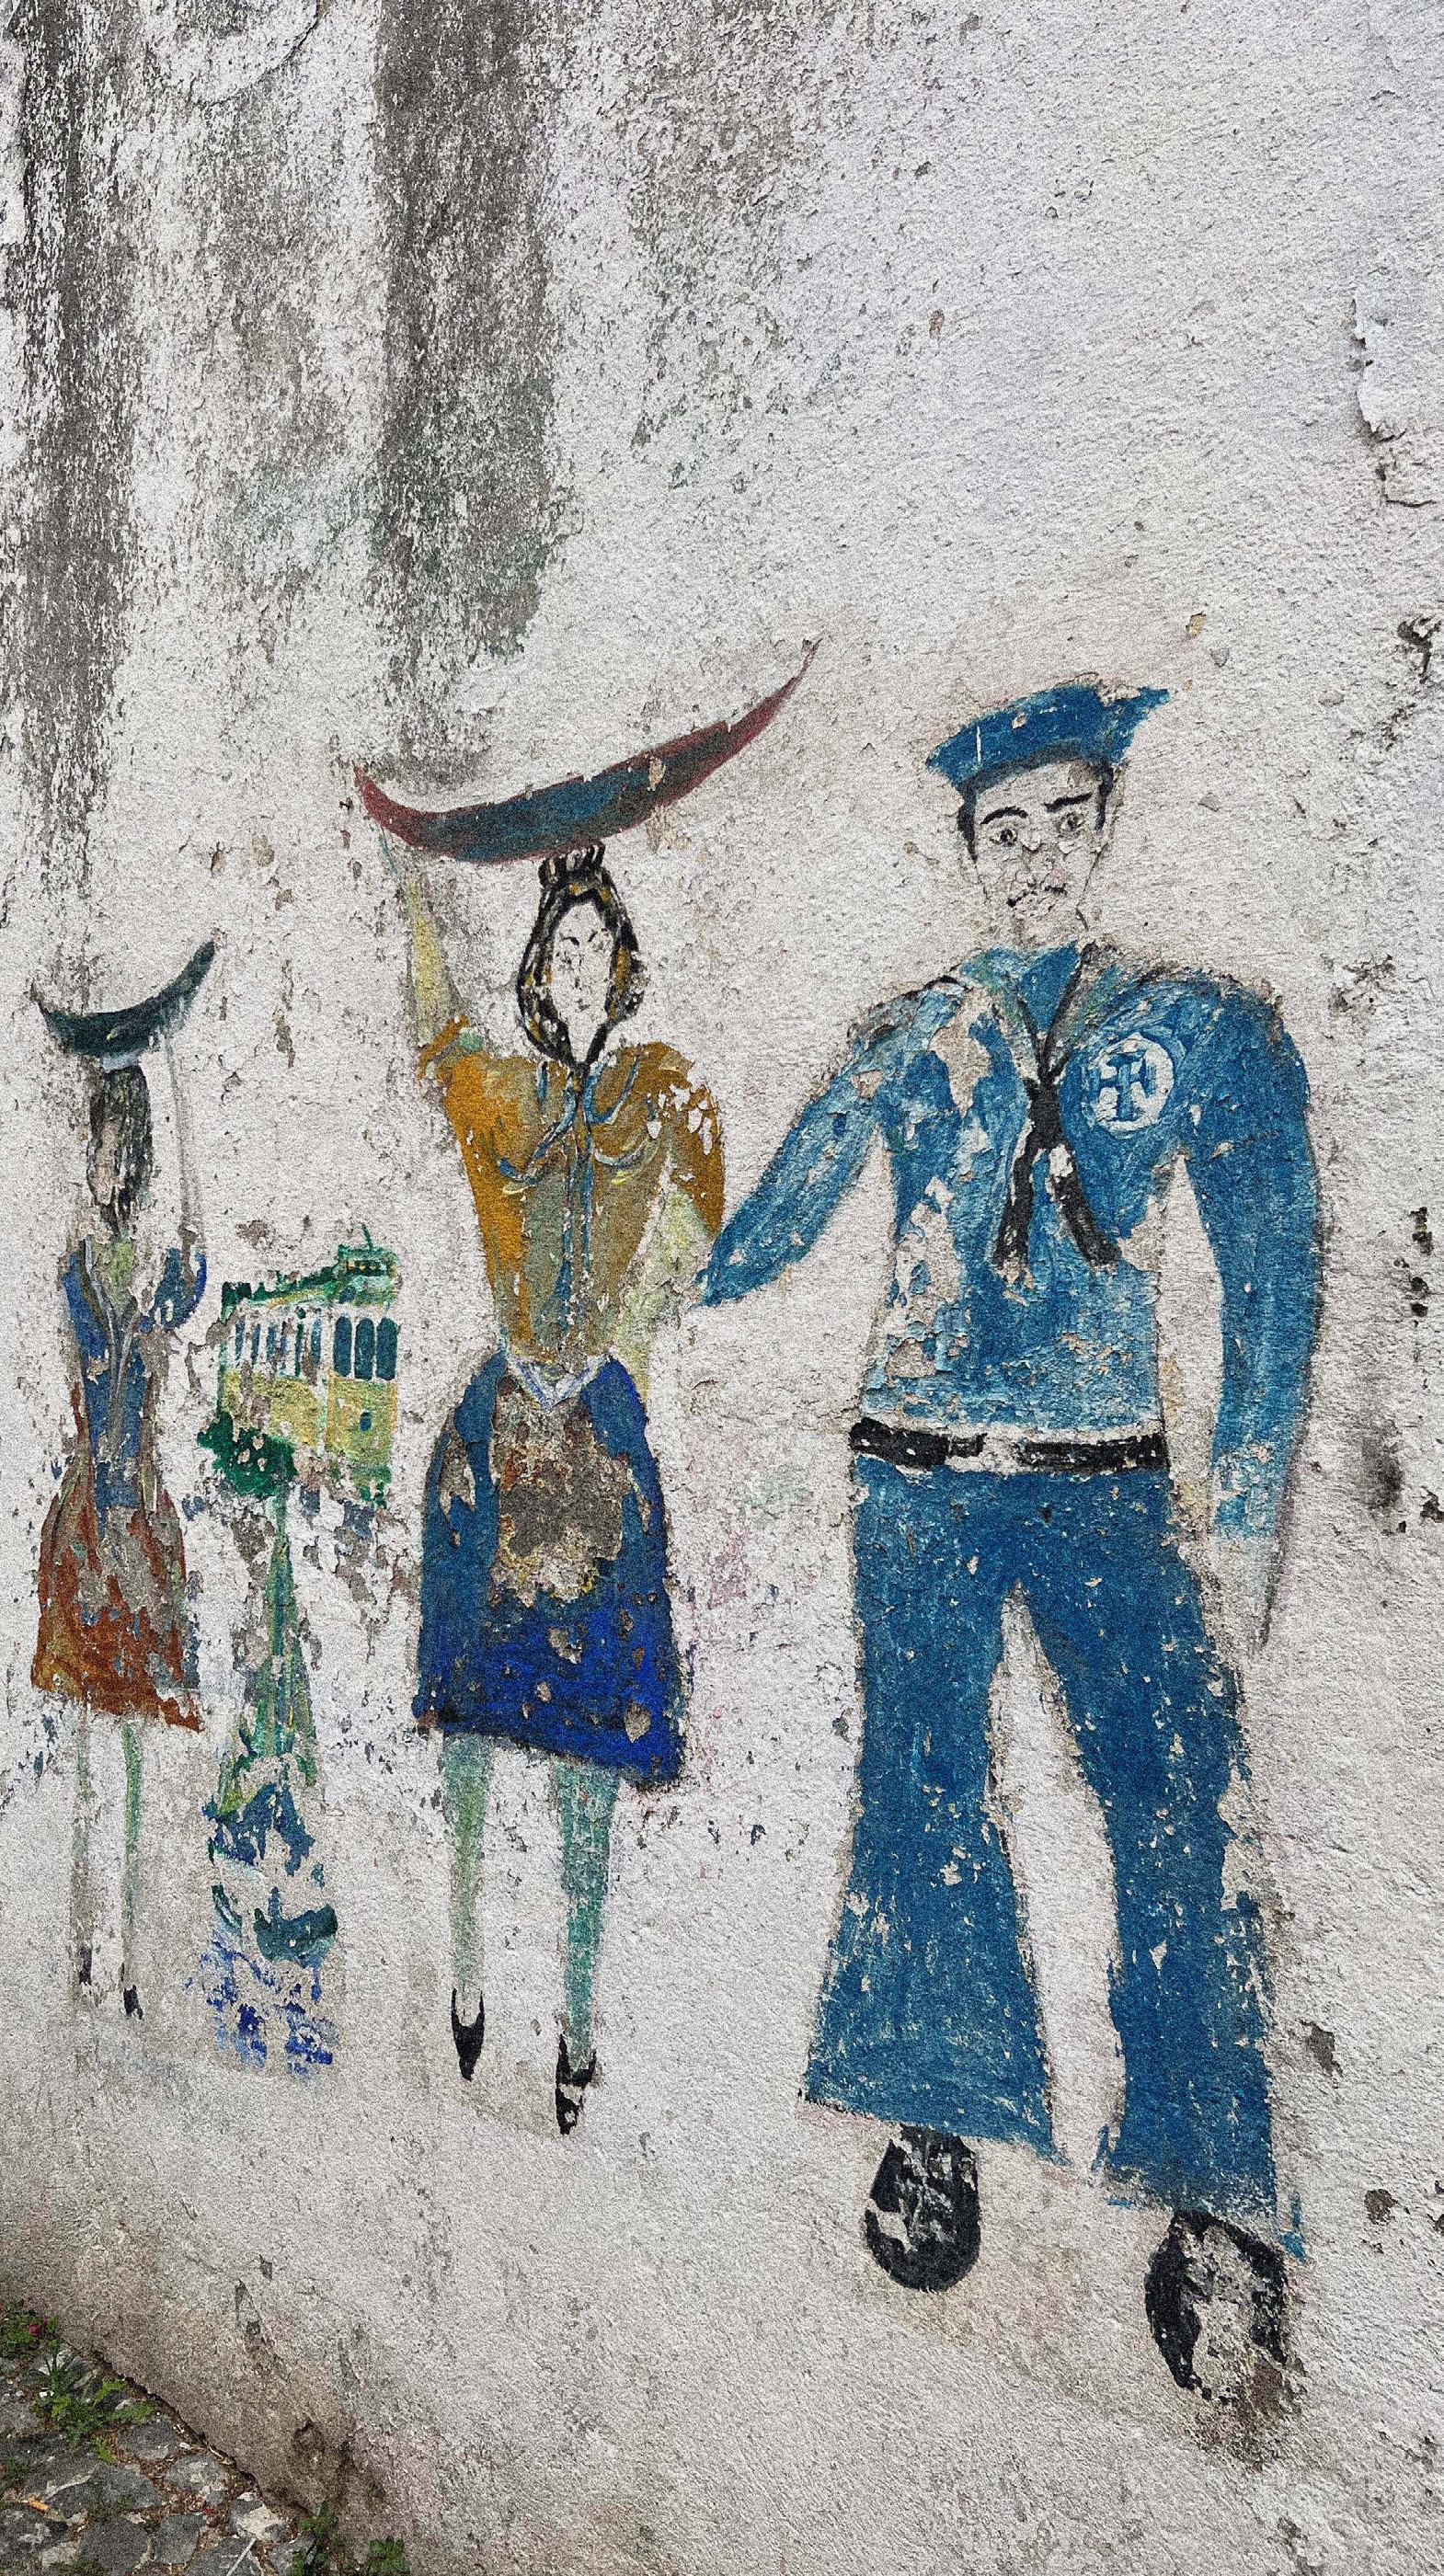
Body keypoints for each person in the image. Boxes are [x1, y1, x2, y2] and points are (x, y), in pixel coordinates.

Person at [701, 680, 1321, 2399]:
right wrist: (666, 1255)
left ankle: (1208, 2188)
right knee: (922, 1791)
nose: (1034, 856)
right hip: (914, 1468)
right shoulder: (911, 1030)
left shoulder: (1193, 1023)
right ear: (966, 851)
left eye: (1061, 822)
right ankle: (935, 2117)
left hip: (1107, 1473)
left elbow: (1274, 1260)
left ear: (1103, 828)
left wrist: (1250, 1497)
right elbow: (772, 1225)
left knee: (1175, 1794)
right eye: (1003, 830)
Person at [387, 838, 723, 2132]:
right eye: (560, 949)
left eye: (595, 946)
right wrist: (411, 879)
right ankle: (469, 1966)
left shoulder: (661, 1088)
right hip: (498, 1425)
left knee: (590, 1755)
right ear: (537, 970)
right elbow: (437, 1030)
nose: (577, 966)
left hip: (600, 1426)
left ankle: (579, 2018)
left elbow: (702, 1220)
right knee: (470, 1737)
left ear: (618, 965)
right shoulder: (503, 1094)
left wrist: (627, 1336)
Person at [33, 1042, 206, 2016]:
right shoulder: (83, 1263)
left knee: (132, 1748)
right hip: (90, 1521)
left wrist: (178, 1090)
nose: (112, 1168)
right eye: (103, 1151)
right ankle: (82, 1939)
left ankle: (131, 1955)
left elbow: (196, 1264)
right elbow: (92, 1334)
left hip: (137, 1519)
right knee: (89, 1753)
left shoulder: (146, 1266)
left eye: (123, 1155)